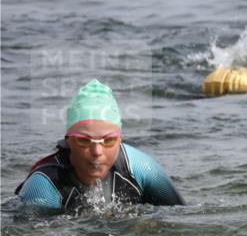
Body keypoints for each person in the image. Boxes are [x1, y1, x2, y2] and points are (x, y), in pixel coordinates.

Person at [16, 79, 185, 213]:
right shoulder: (43, 186)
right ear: (68, 141)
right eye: (84, 140)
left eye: (108, 140)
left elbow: (182, 218)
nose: (97, 152)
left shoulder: (142, 169)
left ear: (120, 139)